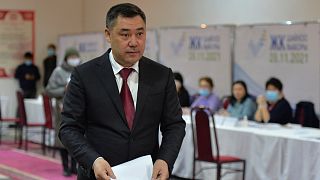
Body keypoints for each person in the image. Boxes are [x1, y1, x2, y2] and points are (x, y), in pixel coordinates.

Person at [59, 3, 186, 180]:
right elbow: (68, 128)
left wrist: (165, 160)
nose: (134, 42)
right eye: (125, 34)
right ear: (108, 35)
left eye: (140, 34)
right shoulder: (85, 75)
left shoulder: (161, 75)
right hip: (99, 175)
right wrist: (93, 160)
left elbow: (174, 125)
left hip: (147, 175)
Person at [45, 48, 80, 176]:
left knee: (77, 137)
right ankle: (65, 167)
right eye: (71, 56)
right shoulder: (58, 72)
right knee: (63, 137)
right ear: (66, 58)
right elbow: (48, 90)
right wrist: (64, 89)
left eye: (75, 56)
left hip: (78, 110)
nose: (74, 59)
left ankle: (74, 167)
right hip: (62, 110)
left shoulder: (81, 70)